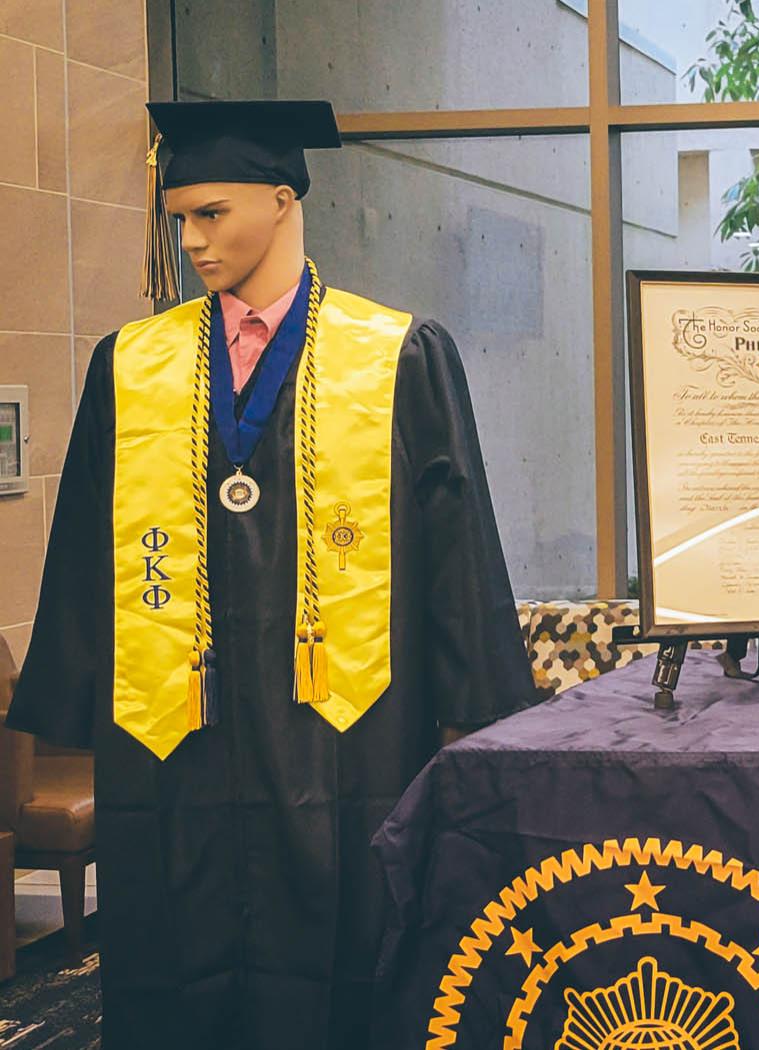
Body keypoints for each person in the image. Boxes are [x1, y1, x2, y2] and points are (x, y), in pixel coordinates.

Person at [4, 100, 537, 1047]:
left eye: (211, 214)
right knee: (177, 950)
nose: (192, 241)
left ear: (283, 198)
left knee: (345, 957)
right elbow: (85, 542)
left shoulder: (396, 355)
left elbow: (457, 548)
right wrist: (74, 698)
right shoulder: (133, 365)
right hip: (180, 735)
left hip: (344, 736)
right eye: (180, 219)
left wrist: (470, 709)